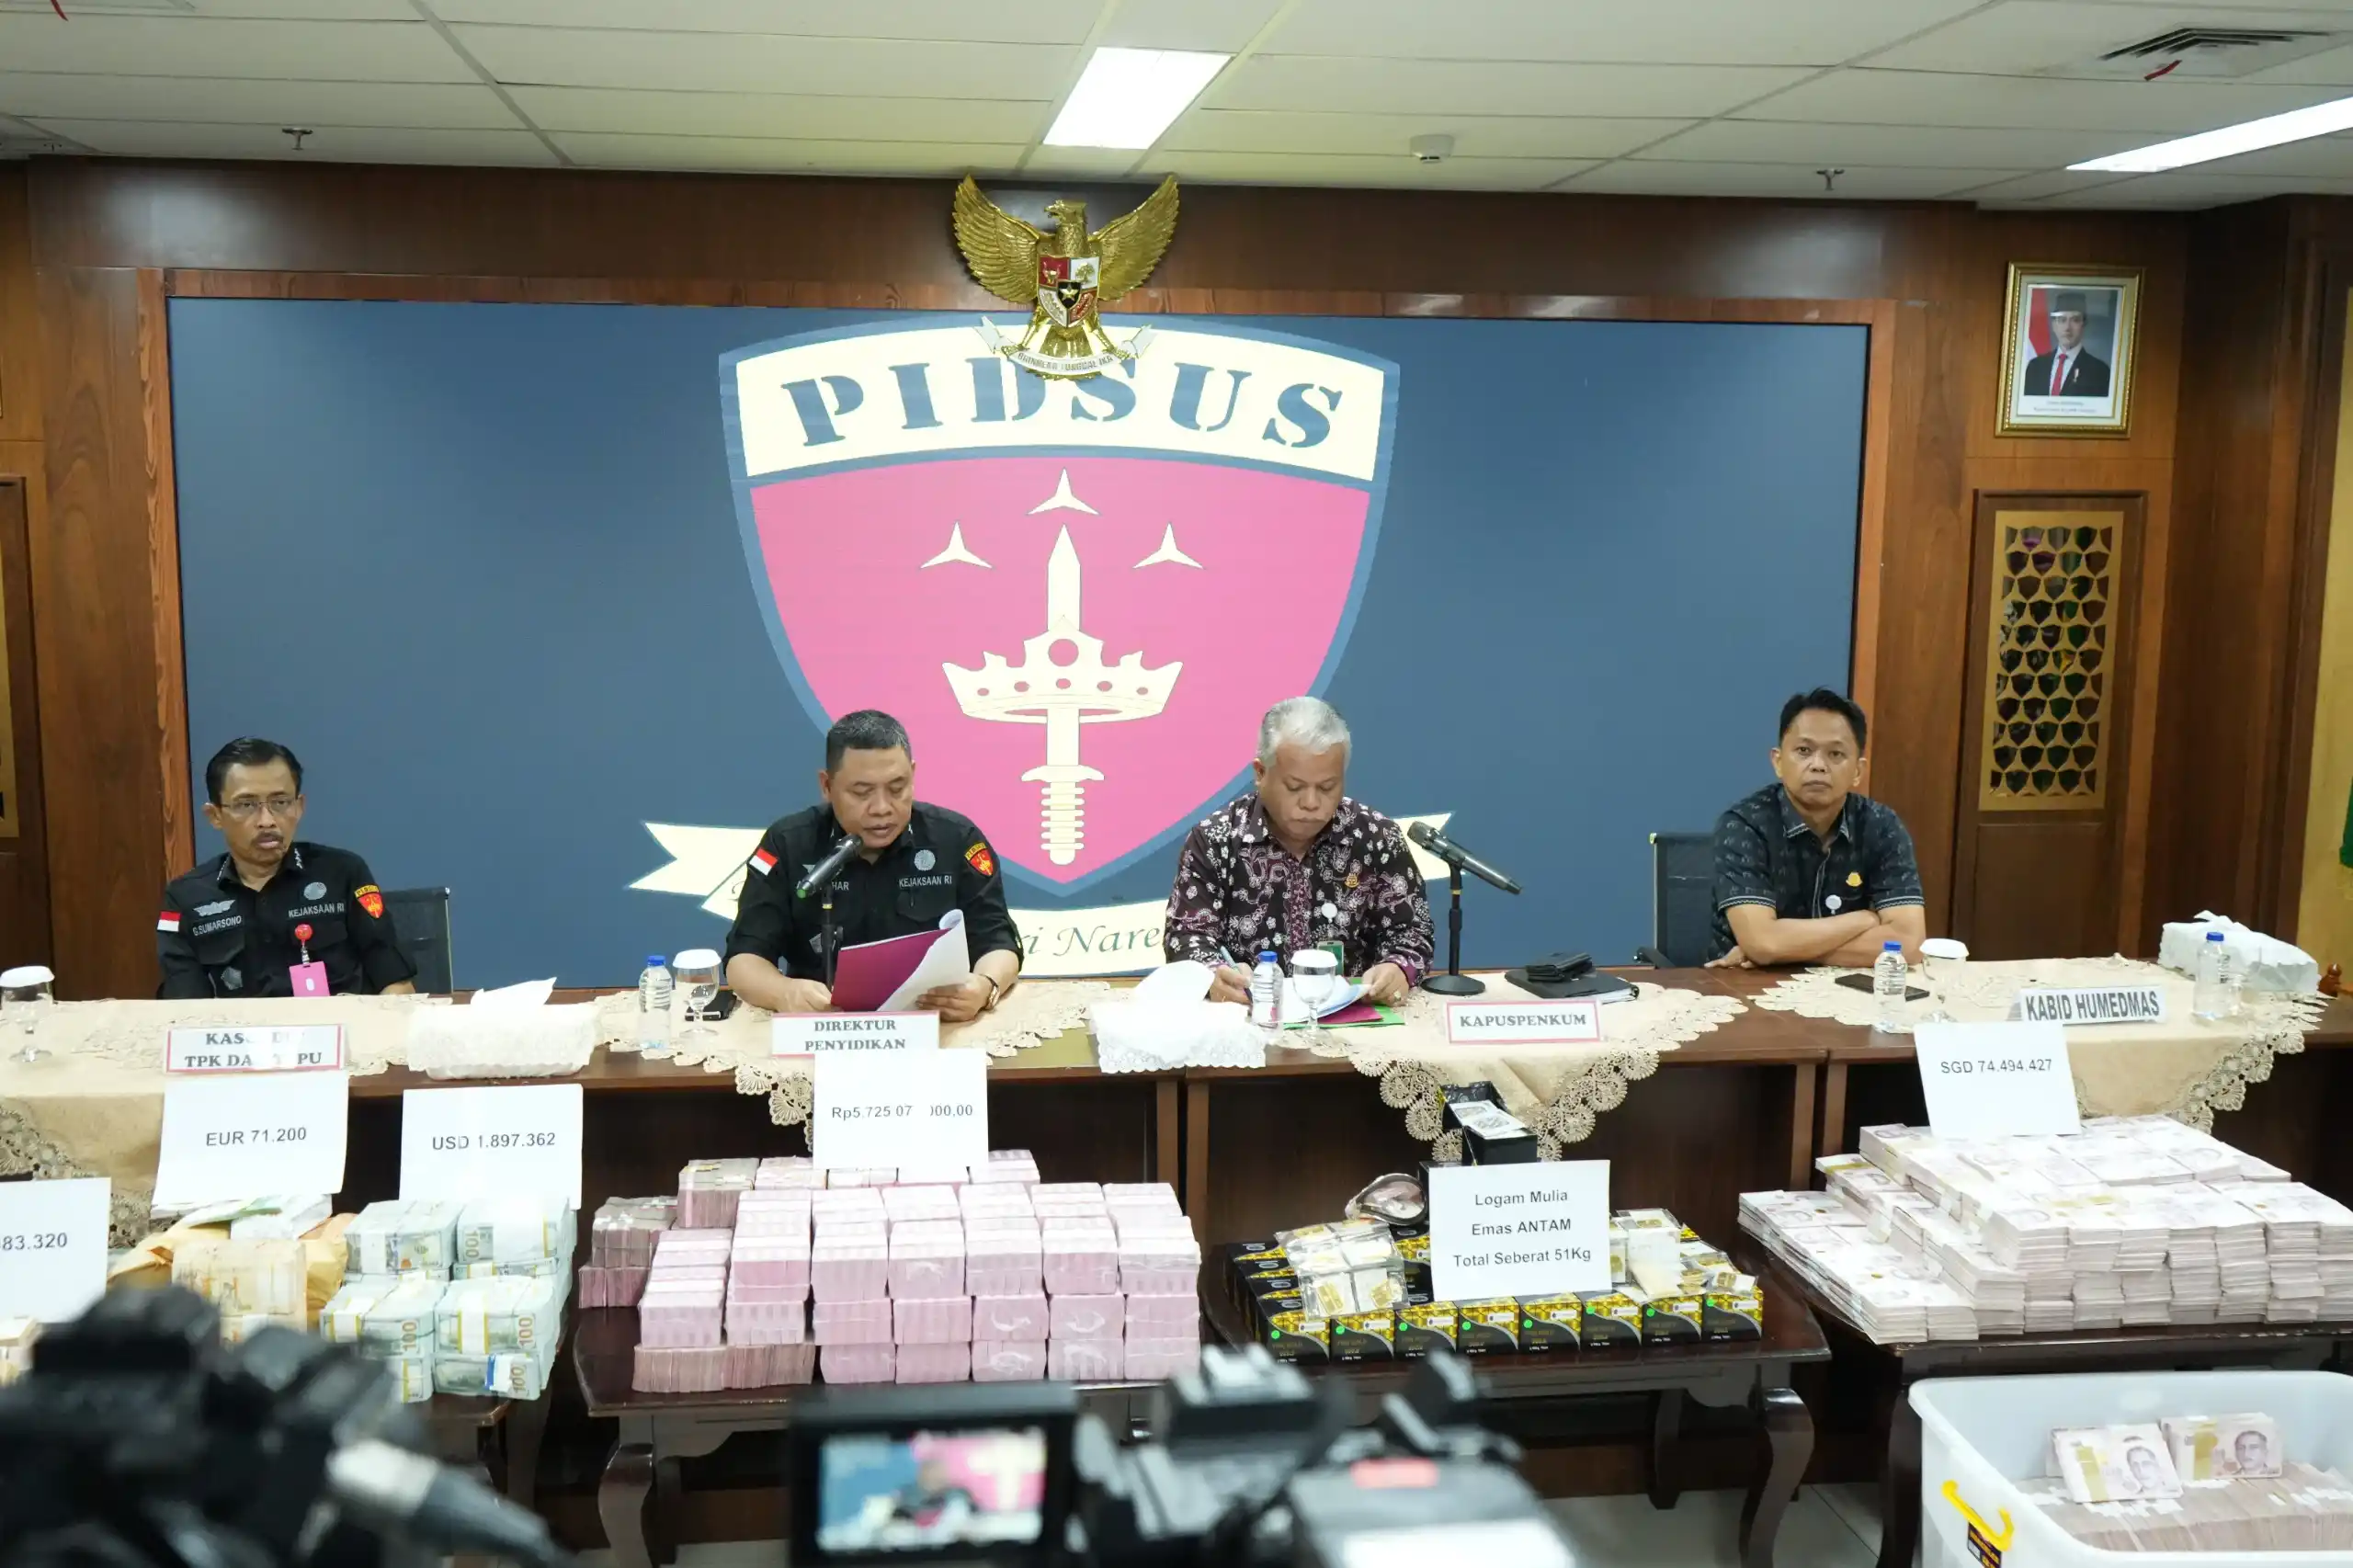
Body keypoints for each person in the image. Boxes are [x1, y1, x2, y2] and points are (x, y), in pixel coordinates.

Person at [723, 710, 1020, 1021]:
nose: (881, 808)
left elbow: (998, 941)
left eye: (897, 788)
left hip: (934, 1026)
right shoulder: (788, 844)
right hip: (823, 1029)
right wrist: (784, 992)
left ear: (913, 775)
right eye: (862, 793)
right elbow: (744, 958)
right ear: (827, 785)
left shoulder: (955, 839)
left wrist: (985, 986)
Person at [1164, 697, 1432, 1007]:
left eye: (1327, 787)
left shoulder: (1375, 838)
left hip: (1351, 1020)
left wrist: (1398, 968)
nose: (1311, 803)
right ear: (1260, 773)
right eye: (1295, 787)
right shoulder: (1215, 840)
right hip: (1250, 1017)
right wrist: (1213, 973)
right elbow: (1185, 937)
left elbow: (1412, 932)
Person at [158, 737, 417, 999]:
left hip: (336, 1024)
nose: (267, 821)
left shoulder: (343, 873)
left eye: (280, 802)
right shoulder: (186, 898)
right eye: (246, 805)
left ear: (299, 807)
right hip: (240, 1026)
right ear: (215, 816)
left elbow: (397, 985)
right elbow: (183, 1009)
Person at [1706, 689, 1926, 969]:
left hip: (1846, 988)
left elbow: (1909, 944)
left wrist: (1781, 952)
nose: (1818, 765)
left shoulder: (1882, 826)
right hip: (1744, 985)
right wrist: (1865, 919)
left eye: (1835, 754)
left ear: (1858, 771)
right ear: (1778, 762)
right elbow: (1763, 942)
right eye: (1804, 751)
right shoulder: (1745, 825)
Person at [2021, 290, 2111, 399]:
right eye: (2062, 320)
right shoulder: (2035, 367)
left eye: (2075, 320)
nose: (2067, 328)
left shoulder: (2099, 372)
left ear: (2084, 324)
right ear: (2054, 325)